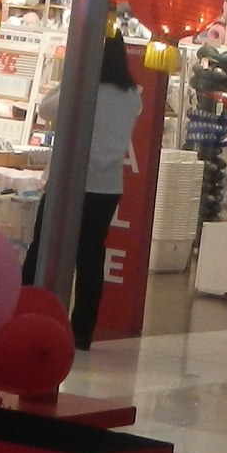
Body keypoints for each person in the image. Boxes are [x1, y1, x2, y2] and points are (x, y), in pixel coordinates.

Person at [69, 25, 139, 350]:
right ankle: (82, 329)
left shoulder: (84, 88)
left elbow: (46, 109)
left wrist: (71, 75)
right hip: (109, 186)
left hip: (72, 182)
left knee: (46, 248)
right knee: (92, 255)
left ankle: (33, 317)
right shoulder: (132, 95)